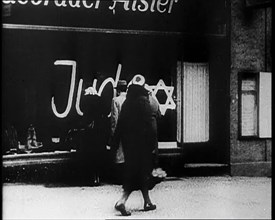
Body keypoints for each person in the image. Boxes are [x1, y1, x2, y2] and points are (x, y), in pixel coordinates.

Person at [112, 74, 160, 216]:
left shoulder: (127, 102)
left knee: (140, 173)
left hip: (129, 145)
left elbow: (119, 124)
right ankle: (122, 201)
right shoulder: (144, 102)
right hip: (143, 145)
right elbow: (150, 124)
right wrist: (153, 144)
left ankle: (147, 201)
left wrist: (114, 144)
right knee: (138, 174)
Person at [77, 86, 109, 186]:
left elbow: (83, 113)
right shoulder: (100, 100)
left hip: (89, 132)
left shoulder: (85, 100)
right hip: (99, 131)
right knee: (98, 154)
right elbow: (106, 112)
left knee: (89, 155)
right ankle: (98, 177)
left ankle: (90, 178)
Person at [109, 80, 127, 184]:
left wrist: (113, 133)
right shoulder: (131, 99)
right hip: (129, 131)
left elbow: (114, 118)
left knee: (119, 155)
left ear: (118, 90)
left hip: (120, 130)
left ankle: (119, 178)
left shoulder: (115, 100)